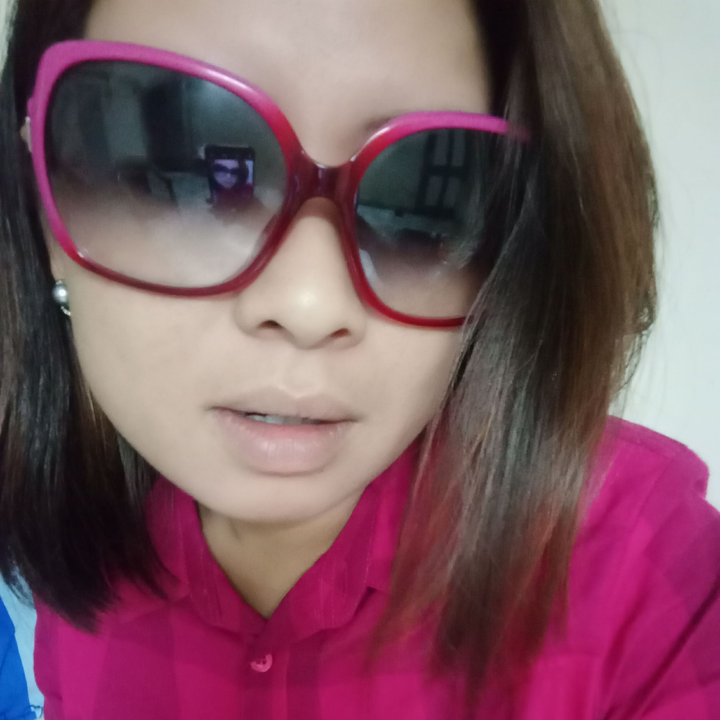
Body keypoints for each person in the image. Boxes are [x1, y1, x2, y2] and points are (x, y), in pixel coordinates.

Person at [0, 0, 718, 717]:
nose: (311, 304)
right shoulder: (79, 549)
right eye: (187, 176)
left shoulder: (641, 570)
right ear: (39, 199)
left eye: (432, 218)